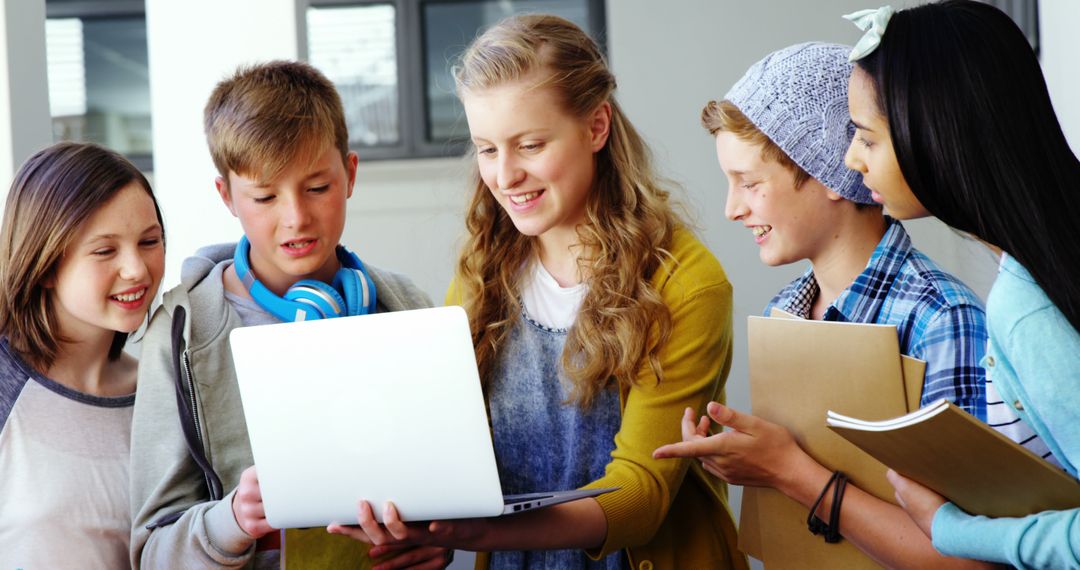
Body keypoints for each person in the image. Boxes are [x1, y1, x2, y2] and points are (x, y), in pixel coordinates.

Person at [326, 13, 748, 570]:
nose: (504, 176)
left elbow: (640, 497)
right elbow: (453, 453)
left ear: (596, 127)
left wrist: (479, 533)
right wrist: (430, 530)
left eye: (529, 144)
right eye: (486, 149)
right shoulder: (482, 271)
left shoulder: (686, 283)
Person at [653, 41, 991, 568]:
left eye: (749, 182)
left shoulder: (942, 318)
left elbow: (971, 558)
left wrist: (790, 470)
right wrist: (744, 458)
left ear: (832, 172)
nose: (731, 208)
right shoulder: (783, 313)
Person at [129, 61, 443, 569]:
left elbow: (450, 494)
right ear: (227, 196)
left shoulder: (407, 308)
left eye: (317, 188)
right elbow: (150, 553)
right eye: (265, 196)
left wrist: (436, 542)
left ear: (351, 175)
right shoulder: (181, 334)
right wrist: (229, 520)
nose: (296, 217)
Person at [840, 2, 1080, 568]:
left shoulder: (1027, 311)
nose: (852, 160)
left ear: (937, 133)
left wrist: (951, 529)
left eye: (867, 139)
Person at [0, 142, 165, 568]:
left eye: (149, 241)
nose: (137, 269)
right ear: (47, 262)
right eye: (105, 250)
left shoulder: (164, 393)